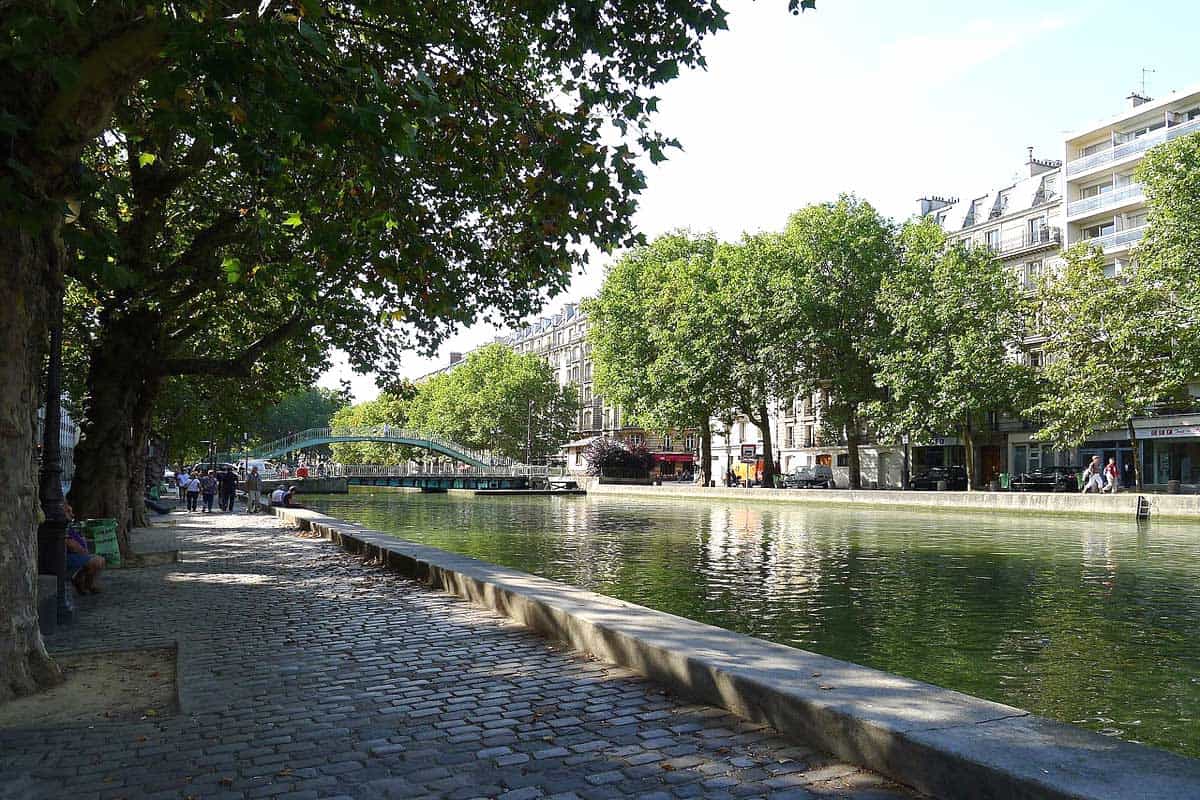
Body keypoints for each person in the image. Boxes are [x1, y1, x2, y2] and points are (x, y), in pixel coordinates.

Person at [64, 504, 104, 594]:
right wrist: (81, 550)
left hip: (76, 554)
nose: (72, 515)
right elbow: (69, 543)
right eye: (68, 512)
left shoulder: (68, 526)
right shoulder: (63, 527)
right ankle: (86, 584)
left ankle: (86, 583)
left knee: (100, 560)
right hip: (68, 556)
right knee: (97, 561)